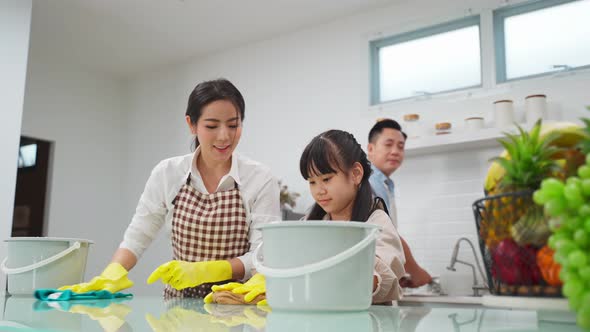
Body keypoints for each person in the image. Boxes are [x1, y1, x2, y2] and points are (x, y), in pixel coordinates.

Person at [59, 78, 281, 298]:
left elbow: (263, 255)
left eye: (233, 125)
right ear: (191, 124)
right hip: (177, 306)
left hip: (233, 305)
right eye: (211, 126)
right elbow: (140, 233)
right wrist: (112, 273)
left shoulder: (260, 179)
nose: (224, 136)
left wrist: (211, 269)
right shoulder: (168, 173)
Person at [300, 129, 406, 304]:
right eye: (312, 182)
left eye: (326, 179)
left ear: (356, 174)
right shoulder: (310, 223)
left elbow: (385, 274)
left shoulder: (376, 221)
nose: (319, 191)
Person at [367, 118, 432, 288]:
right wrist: (417, 273)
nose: (395, 151)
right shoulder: (371, 183)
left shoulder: (384, 185)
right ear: (371, 149)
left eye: (401, 147)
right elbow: (389, 235)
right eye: (388, 144)